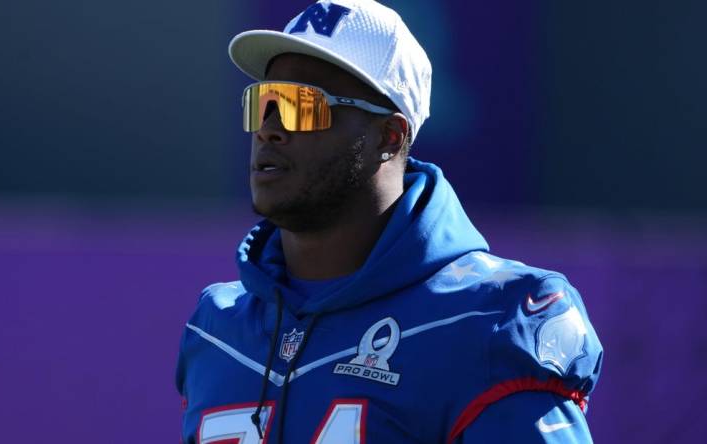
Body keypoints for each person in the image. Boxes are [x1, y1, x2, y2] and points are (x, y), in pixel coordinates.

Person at [175, 0, 603, 442]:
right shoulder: (217, 327)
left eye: (300, 105)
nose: (268, 129)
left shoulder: (490, 318)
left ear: (388, 136)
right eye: (263, 103)